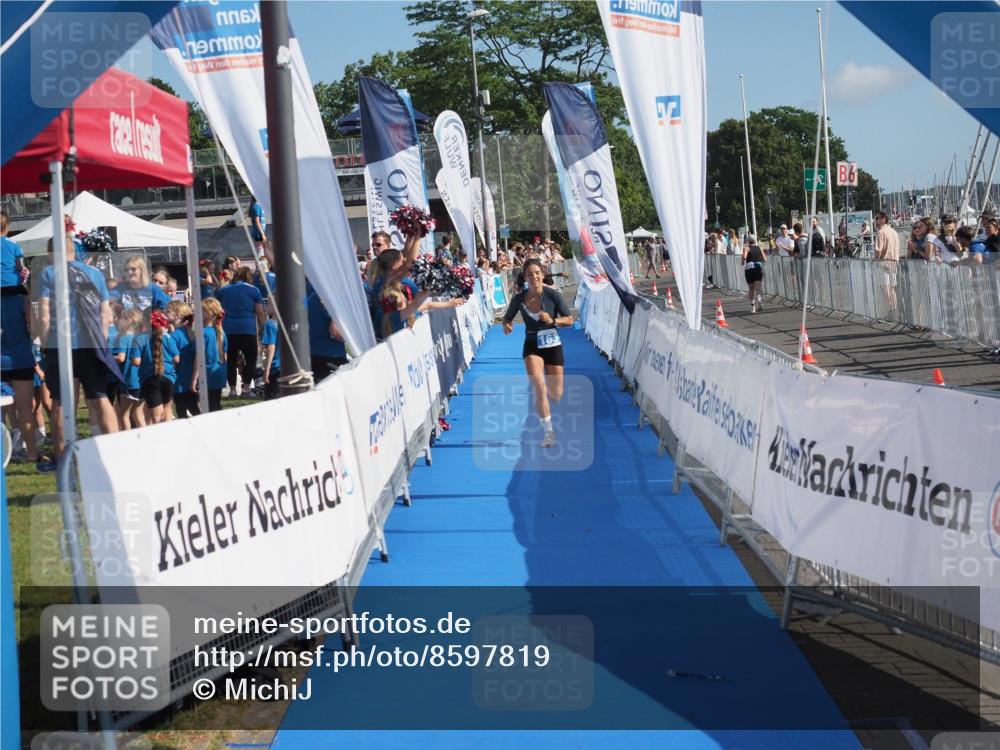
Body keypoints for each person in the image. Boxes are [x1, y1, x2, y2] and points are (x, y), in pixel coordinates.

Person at [37, 233, 120, 459]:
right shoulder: (94, 273)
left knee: (62, 402)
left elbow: (44, 314)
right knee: (100, 397)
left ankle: (62, 457)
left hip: (60, 343)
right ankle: (116, 453)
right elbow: (106, 315)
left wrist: (45, 344)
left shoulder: (48, 273)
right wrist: (100, 341)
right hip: (90, 344)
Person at [502, 258, 573, 449]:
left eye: (537, 273)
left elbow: (570, 320)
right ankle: (549, 433)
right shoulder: (519, 299)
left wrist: (553, 321)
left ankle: (549, 400)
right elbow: (506, 319)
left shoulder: (553, 295)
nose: (534, 277)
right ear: (524, 277)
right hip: (532, 345)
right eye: (529, 274)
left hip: (552, 344)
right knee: (539, 387)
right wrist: (507, 326)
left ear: (542, 274)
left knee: (556, 394)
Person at [1, 213, 48, 469]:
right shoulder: (22, 296)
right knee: (25, 407)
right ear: (7, 228)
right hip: (19, 353)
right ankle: (31, 452)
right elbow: (34, 324)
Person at [215, 266, 265, 398]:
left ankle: (232, 390)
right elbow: (259, 312)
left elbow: (217, 309)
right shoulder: (254, 290)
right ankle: (246, 389)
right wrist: (263, 328)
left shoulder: (223, 290)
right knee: (251, 359)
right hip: (248, 329)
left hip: (228, 329)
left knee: (230, 360)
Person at [139, 309, 179, 424]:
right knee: (167, 408)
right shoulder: (168, 338)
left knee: (156, 417)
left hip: (149, 379)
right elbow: (177, 359)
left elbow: (136, 360)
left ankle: (160, 438)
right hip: (169, 378)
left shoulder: (140, 338)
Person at [306, 281, 348, 384]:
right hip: (331, 355)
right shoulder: (335, 294)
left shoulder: (308, 290)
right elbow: (335, 331)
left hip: (311, 353)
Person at [112, 308, 145, 431]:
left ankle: (126, 439)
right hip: (142, 380)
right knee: (138, 413)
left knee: (124, 415)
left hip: (130, 381)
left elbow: (121, 358)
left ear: (128, 321)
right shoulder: (142, 337)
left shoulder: (123, 339)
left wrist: (108, 357)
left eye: (122, 318)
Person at [168, 301, 199, 418]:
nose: (165, 313)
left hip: (179, 379)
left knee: (181, 412)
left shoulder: (174, 335)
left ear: (178, 315)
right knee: (194, 408)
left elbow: (174, 360)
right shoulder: (189, 332)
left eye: (168, 311)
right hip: (191, 377)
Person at [201, 298, 228, 412]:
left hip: (207, 373)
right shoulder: (221, 332)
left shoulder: (204, 332)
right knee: (216, 403)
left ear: (209, 313)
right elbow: (225, 354)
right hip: (219, 372)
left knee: (209, 406)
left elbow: (199, 354)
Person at [874, 211, 900, 315]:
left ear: (883, 219)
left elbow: (878, 250)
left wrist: (876, 261)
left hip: (884, 263)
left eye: (877, 218)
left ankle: (889, 310)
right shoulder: (894, 232)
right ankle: (894, 308)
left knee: (885, 288)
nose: (875, 220)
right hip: (894, 262)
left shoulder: (881, 232)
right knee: (892, 288)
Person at [742, 234, 767, 313]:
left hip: (749, 268)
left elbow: (744, 257)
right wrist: (759, 259)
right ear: (755, 240)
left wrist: (743, 261)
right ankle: (759, 301)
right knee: (758, 288)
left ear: (748, 241)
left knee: (751, 289)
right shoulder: (759, 248)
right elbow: (765, 259)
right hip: (757, 267)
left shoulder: (747, 248)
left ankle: (753, 307)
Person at [248, 196, 270, 264]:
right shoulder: (256, 206)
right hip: (258, 232)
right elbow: (257, 221)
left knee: (262, 249)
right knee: (260, 250)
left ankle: (261, 264)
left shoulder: (258, 206)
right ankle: (260, 266)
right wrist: (262, 234)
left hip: (259, 232)